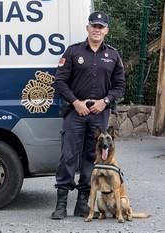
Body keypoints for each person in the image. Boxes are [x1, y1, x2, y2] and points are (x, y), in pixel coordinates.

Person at [52, 11, 125, 219]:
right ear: (88, 28)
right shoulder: (73, 52)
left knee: (92, 157)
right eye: (94, 26)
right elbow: (60, 82)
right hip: (75, 112)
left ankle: (83, 203)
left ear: (106, 31)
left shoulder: (113, 55)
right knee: (68, 156)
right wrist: (76, 102)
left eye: (101, 27)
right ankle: (61, 204)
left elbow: (120, 86)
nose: (97, 30)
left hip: (99, 113)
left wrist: (105, 101)